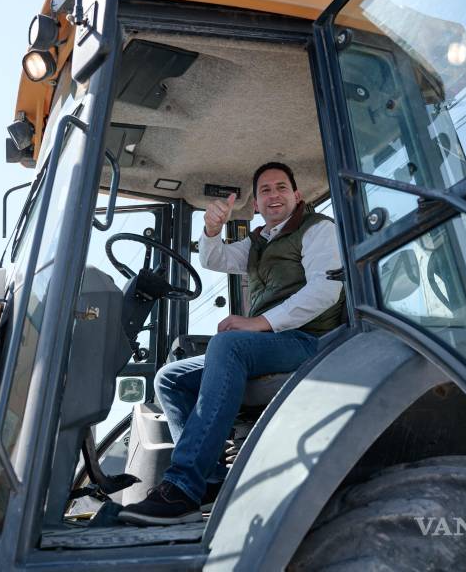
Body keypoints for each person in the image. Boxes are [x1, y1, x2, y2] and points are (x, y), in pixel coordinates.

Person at [119, 162, 344, 526]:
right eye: (265, 191)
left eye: (281, 187)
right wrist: (211, 229)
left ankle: (182, 484)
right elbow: (214, 258)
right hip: (272, 341)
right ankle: (207, 482)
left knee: (228, 346)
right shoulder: (260, 242)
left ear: (297, 195)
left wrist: (258, 323)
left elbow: (326, 291)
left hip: (310, 340)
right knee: (170, 378)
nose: (274, 195)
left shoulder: (318, 230)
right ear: (255, 204)